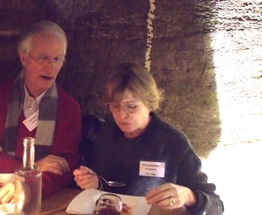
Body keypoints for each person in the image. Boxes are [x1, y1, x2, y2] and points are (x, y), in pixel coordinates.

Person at [73, 62, 224, 214]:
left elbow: (216, 206)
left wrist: (188, 196)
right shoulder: (105, 133)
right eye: (115, 106)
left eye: (131, 107)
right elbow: (105, 187)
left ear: (149, 104)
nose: (121, 115)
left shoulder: (173, 143)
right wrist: (94, 183)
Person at [0, 21, 82, 201]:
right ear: (23, 58)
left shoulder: (69, 108)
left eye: (57, 59)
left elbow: (62, 168)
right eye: (43, 58)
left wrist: (27, 187)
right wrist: (32, 167)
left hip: (41, 200)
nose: (50, 68)